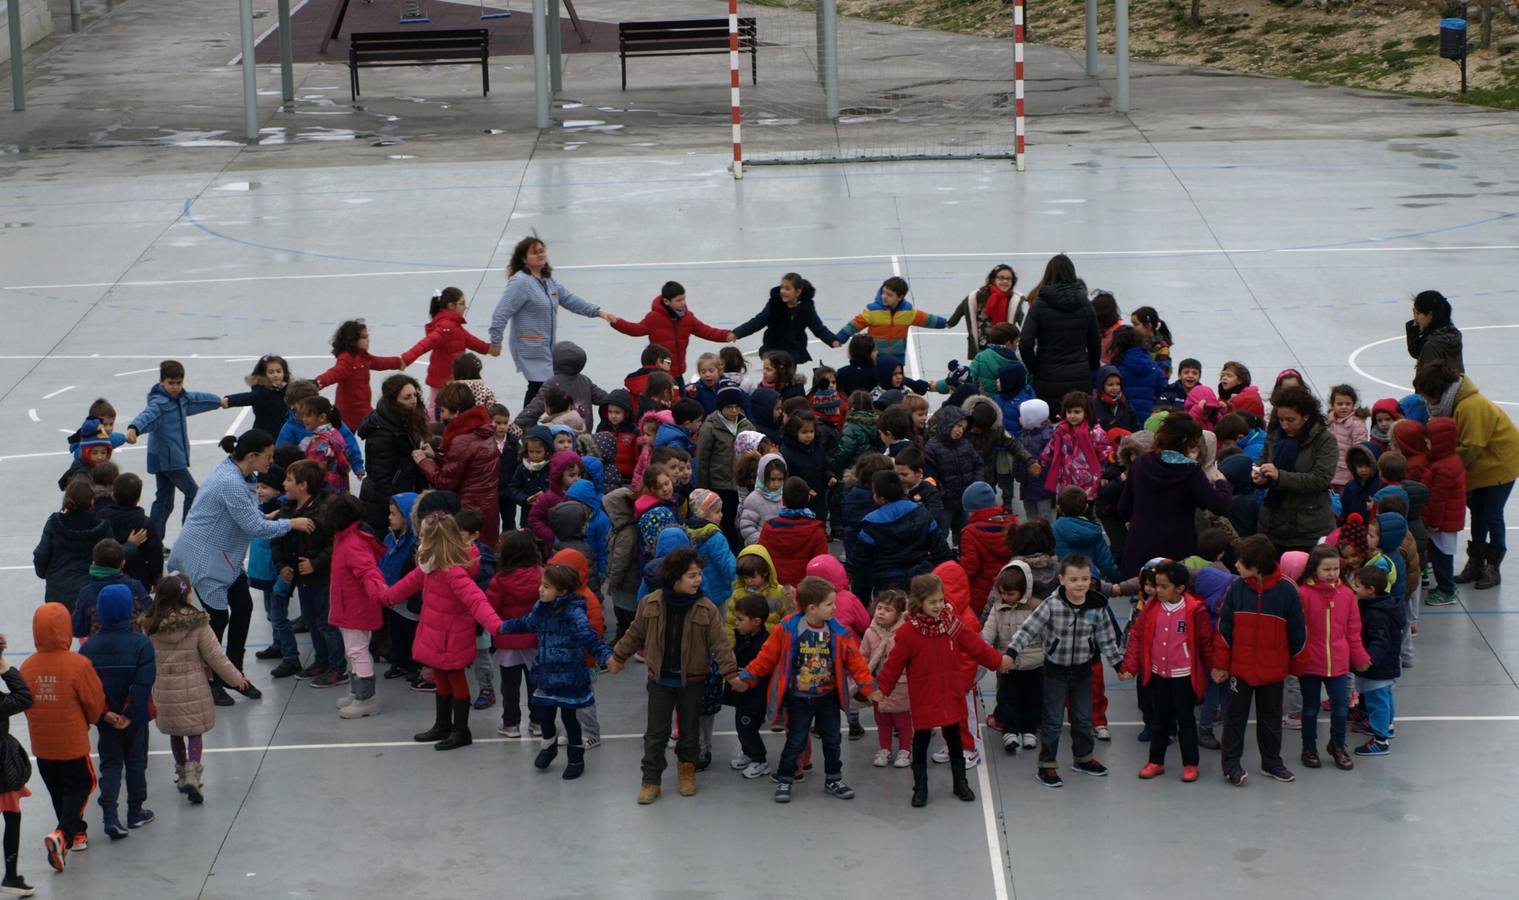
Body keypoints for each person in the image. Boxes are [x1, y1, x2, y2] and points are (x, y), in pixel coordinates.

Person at [169, 432, 315, 704]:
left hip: (225, 557)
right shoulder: (231, 481)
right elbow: (254, 528)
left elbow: (247, 514)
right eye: (268, 457)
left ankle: (233, 674)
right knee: (218, 619)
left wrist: (267, 515)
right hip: (206, 559)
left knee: (244, 608)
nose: (272, 463)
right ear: (252, 457)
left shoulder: (240, 474)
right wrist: (290, 524)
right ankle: (212, 680)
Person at [609, 548, 739, 804]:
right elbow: (635, 633)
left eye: (699, 575)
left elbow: (721, 644)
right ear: (675, 578)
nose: (698, 580)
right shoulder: (651, 604)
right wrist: (618, 656)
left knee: (690, 731)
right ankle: (651, 779)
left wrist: (731, 673)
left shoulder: (706, 609)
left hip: (692, 680)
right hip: (660, 680)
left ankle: (686, 771)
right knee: (656, 732)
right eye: (692, 575)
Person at [738, 576, 881, 805]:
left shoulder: (839, 631)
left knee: (833, 739)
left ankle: (834, 778)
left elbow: (856, 663)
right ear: (812, 608)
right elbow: (767, 656)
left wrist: (869, 687)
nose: (835, 608)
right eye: (830, 604)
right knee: (796, 740)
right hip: (798, 698)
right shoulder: (787, 627)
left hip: (827, 698)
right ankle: (785, 778)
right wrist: (748, 676)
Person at [379, 503, 507, 751]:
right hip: (435, 632)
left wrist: (497, 627)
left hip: (452, 636)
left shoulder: (453, 572)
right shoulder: (430, 566)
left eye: (424, 536)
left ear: (435, 541)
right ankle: (442, 724)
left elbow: (476, 601)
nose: (420, 540)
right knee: (440, 676)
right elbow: (404, 586)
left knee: (455, 679)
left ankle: (461, 731)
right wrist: (383, 596)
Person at [878, 574, 1013, 807]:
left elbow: (975, 645)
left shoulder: (951, 625)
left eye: (941, 600)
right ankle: (920, 786)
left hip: (951, 692)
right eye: (933, 602)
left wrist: (998, 660)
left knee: (955, 740)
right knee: (920, 743)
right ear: (919, 602)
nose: (939, 606)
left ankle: (960, 782)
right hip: (924, 696)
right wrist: (878, 690)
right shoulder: (908, 633)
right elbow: (892, 666)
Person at [1005, 553, 1130, 789]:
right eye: (1074, 579)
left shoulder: (1096, 607)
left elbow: (1106, 639)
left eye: (1084, 579)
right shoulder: (1051, 605)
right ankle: (1047, 766)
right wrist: (1011, 653)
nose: (1080, 584)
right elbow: (1028, 629)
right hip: (1055, 672)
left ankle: (1082, 758)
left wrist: (1118, 665)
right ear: (1062, 580)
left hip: (1083, 671)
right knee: (1052, 721)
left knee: (1083, 718)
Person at [498, 563, 613, 780]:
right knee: (546, 717)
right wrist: (502, 626)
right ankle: (548, 747)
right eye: (541, 585)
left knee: (570, 720)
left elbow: (588, 636)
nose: (541, 590)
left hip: (570, 678)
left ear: (563, 591)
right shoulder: (541, 609)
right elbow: (527, 623)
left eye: (546, 586)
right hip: (546, 675)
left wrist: (606, 655)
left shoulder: (574, 612)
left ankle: (576, 758)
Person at [141, 576, 250, 806]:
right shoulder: (198, 622)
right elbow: (215, 656)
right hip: (194, 686)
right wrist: (236, 679)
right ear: (185, 595)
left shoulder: (149, 625)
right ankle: (193, 774)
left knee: (175, 731)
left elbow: (145, 659)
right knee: (194, 731)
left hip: (165, 688)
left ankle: (181, 774)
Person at [1211, 534, 1307, 787]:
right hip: (1240, 671)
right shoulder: (1236, 589)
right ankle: (1231, 765)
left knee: (1271, 718)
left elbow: (1298, 631)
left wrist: (1297, 666)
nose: (1236, 566)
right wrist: (1220, 664)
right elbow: (1224, 629)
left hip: (1273, 671)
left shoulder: (1287, 591)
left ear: (1257, 565)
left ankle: (1272, 763)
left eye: (1241, 562)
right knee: (1234, 719)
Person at [1414, 362, 1519, 589]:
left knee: (1492, 514)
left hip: (1499, 465)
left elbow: (1471, 446)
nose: (1426, 401)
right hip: (1480, 466)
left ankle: (1493, 566)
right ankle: (1476, 561)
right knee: (1478, 514)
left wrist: (1444, 470)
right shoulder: (1454, 401)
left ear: (1437, 390)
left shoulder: (1470, 406)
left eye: (1426, 395)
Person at [21, 602, 106, 872]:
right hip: (72, 743)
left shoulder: (27, 667)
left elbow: (25, 704)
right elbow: (94, 703)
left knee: (58, 791)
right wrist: (93, 719)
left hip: (42, 745)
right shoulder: (78, 664)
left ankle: (75, 835)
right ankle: (63, 834)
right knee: (82, 785)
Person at [489, 237, 619, 405]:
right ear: (523, 258)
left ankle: (529, 426)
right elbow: (501, 312)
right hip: (530, 347)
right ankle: (524, 427)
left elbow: (570, 300)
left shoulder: (548, 281)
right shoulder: (520, 282)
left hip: (546, 347)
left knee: (543, 389)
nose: (540, 254)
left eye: (542, 251)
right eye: (534, 252)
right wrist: (495, 340)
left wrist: (599, 312)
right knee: (541, 387)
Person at [1119, 561, 1213, 783]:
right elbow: (1138, 637)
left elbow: (1205, 642)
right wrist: (1130, 667)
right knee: (1159, 720)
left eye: (1163, 586)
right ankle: (1155, 761)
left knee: (1186, 721)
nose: (1157, 591)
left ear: (1180, 588)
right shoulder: (1151, 607)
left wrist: (1215, 667)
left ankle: (1190, 764)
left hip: (1183, 676)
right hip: (1158, 675)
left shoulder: (1194, 611)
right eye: (1156, 586)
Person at [77, 585, 156, 838]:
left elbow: (90, 688)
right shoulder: (142, 644)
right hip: (136, 717)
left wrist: (105, 713)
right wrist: (129, 713)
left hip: (106, 719)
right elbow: (144, 683)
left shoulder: (88, 648)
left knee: (110, 765)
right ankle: (135, 812)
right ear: (129, 610)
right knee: (136, 762)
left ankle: (110, 816)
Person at [1118, 414, 1232, 577]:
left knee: (1141, 597)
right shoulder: (1190, 471)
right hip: (1175, 549)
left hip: (1139, 545)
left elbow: (1123, 508)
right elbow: (1220, 505)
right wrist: (1222, 484)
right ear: (1188, 442)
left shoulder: (1141, 462)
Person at [124, 360, 226, 536]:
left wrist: (219, 401)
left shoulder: (181, 399)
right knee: (193, 493)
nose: (175, 387)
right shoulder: (159, 404)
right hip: (169, 459)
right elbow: (147, 417)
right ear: (161, 381)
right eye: (171, 383)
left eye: (179, 383)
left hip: (166, 458)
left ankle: (154, 540)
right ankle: (188, 535)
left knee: (164, 501)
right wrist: (134, 428)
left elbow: (199, 400)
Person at [1291, 545, 1369, 771]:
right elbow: (1296, 630)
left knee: (1341, 708)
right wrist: (1295, 659)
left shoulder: (1346, 595)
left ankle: (1337, 746)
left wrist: (1360, 657)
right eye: (1327, 569)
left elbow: (1353, 631)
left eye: (1335, 568)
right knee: (1310, 708)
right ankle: (1309, 747)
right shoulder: (1303, 594)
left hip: (1338, 663)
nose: (1332, 573)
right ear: (1315, 569)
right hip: (1310, 663)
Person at [327, 494, 392, 719]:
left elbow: (368, 571)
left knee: (357, 650)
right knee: (353, 651)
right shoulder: (346, 537)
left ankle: (366, 699)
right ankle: (357, 693)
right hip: (350, 605)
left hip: (356, 607)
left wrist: (379, 591)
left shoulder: (352, 542)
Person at [414, 383, 502, 547]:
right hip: (488, 507)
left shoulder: (461, 440)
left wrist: (423, 461)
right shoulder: (483, 430)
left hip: (467, 511)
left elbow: (444, 482)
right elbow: (466, 465)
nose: (441, 417)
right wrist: (437, 456)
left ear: (457, 412)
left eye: (444, 411)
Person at [1252, 386, 1338, 554]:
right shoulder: (1274, 434)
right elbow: (1262, 461)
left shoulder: (1324, 440)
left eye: (1291, 420)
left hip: (1309, 528)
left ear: (1306, 416)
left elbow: (1320, 479)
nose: (1284, 425)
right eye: (1281, 419)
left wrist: (1279, 476)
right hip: (1273, 525)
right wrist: (1260, 477)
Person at [847, 470, 946, 600]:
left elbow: (859, 558)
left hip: (887, 584)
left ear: (881, 498)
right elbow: (940, 549)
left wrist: (849, 574)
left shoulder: (872, 523)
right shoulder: (922, 513)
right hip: (920, 579)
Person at [1018, 254, 1099, 406]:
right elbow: (1095, 342)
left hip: (1048, 376)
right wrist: (1092, 368)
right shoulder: (1086, 304)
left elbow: (1025, 343)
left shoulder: (1040, 304)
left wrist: (1034, 367)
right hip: (1080, 375)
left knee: (1050, 425)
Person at [611, 281, 734, 380]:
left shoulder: (688, 317)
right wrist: (616, 322)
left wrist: (726, 335)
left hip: (678, 373)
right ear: (666, 301)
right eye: (679, 300)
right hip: (659, 375)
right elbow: (635, 330)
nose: (683, 303)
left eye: (684, 299)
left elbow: (706, 331)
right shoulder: (653, 318)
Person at [356, 374, 430, 536]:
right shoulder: (382, 432)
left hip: (402, 494)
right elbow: (380, 476)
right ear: (394, 400)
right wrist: (395, 507)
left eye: (415, 395)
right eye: (407, 397)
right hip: (385, 503)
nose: (414, 400)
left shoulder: (408, 418)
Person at [983, 561, 1042, 753]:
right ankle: (1010, 731)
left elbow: (1047, 634)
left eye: (1010, 594)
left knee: (1032, 698)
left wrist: (1047, 655)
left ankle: (1029, 730)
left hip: (1034, 664)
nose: (1005, 598)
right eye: (1002, 593)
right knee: (1007, 698)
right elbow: (988, 633)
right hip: (1007, 664)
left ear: (1023, 591)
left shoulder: (1037, 607)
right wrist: (986, 652)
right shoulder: (998, 608)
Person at [313, 319, 411, 429]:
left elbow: (379, 362)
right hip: (347, 414)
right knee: (347, 442)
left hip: (363, 409)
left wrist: (398, 362)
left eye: (367, 337)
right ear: (353, 340)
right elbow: (335, 373)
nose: (368, 340)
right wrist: (318, 382)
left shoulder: (364, 357)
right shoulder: (347, 359)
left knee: (378, 430)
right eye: (364, 338)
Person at [34, 478, 111, 608]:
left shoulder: (54, 523)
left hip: (58, 592)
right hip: (91, 592)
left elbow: (41, 554)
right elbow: (112, 556)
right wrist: (131, 545)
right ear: (92, 502)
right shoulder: (102, 527)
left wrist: (46, 574)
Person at [731, 272, 840, 364]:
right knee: (774, 370)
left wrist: (832, 340)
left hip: (793, 350)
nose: (783, 291)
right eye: (782, 287)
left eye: (787, 289)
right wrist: (737, 333)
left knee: (787, 373)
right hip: (772, 347)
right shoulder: (774, 304)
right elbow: (758, 321)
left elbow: (818, 327)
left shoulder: (807, 307)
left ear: (798, 292)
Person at [1352, 565, 1404, 757]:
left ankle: (1380, 740)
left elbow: (1379, 641)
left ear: (1371, 589)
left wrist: (1369, 660)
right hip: (1387, 665)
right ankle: (1387, 727)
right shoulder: (1385, 606)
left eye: (1358, 585)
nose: (1354, 588)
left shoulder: (1375, 614)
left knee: (1377, 702)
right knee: (1385, 698)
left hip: (1378, 668)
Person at [0, 633, 37, 895]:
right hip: (2, 767)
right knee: (12, 817)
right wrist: (5, 669)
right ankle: (10, 877)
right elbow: (24, 697)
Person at [835, 276, 949, 360]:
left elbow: (927, 319)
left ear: (900, 297)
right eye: (884, 293)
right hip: (876, 356)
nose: (884, 297)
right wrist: (840, 338)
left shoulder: (908, 312)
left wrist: (945, 323)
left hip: (897, 357)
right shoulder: (873, 311)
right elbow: (854, 325)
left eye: (889, 295)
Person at [724, 593, 773, 779]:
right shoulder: (745, 638)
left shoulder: (763, 643)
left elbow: (763, 670)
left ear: (756, 621)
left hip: (754, 696)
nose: (737, 623)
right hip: (743, 696)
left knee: (747, 727)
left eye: (740, 620)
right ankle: (749, 753)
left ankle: (760, 759)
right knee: (741, 725)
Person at [513, 342, 614, 431]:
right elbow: (606, 399)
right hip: (584, 434)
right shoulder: (585, 380)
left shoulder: (552, 383)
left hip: (561, 435)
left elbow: (535, 408)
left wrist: (517, 424)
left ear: (556, 361)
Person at [1421, 417, 1467, 606]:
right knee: (1442, 553)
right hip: (1448, 519)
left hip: (1443, 521)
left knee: (1442, 555)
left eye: (1429, 441)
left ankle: (1447, 590)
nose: (1426, 444)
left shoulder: (1444, 467)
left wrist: (1433, 522)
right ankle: (1446, 586)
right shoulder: (1449, 461)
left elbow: (1438, 499)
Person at [946, 264, 1024, 357]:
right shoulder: (976, 296)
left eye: (1008, 278)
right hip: (981, 349)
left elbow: (1023, 321)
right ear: (993, 279)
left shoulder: (1014, 300)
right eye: (1001, 278)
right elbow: (962, 308)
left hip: (1004, 349)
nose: (1005, 281)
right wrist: (949, 323)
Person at [223, 354, 292, 439]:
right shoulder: (262, 391)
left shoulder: (289, 388)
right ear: (263, 374)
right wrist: (230, 400)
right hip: (265, 434)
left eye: (278, 371)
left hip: (285, 433)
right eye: (271, 372)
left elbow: (304, 388)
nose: (275, 375)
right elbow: (248, 398)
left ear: (284, 372)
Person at [1405, 289, 1464, 375]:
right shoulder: (1453, 334)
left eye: (1417, 313)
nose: (1416, 319)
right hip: (1459, 386)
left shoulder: (1431, 345)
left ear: (1430, 315)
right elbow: (1416, 351)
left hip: (1438, 387)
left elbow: (1430, 382)